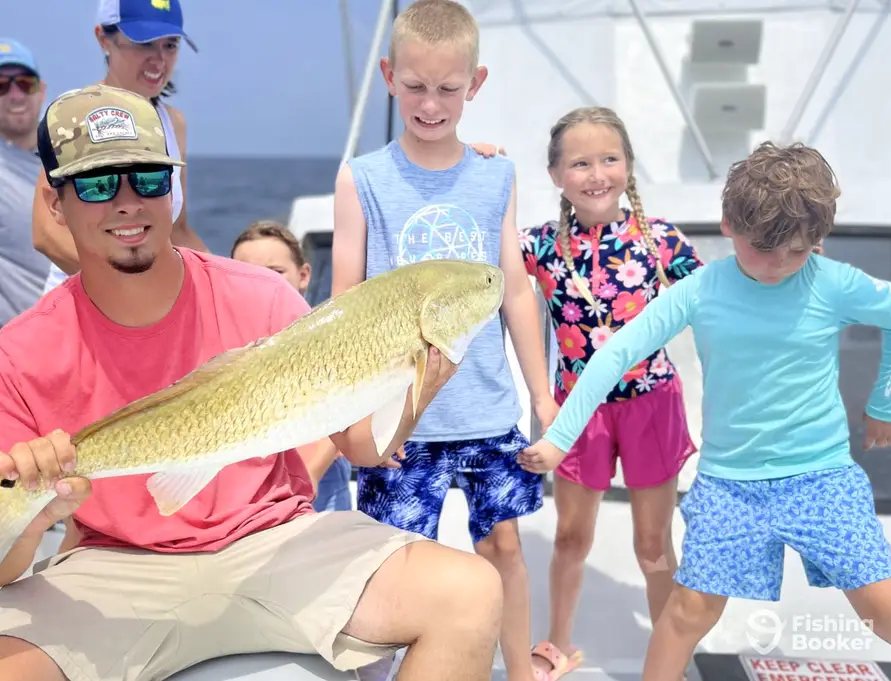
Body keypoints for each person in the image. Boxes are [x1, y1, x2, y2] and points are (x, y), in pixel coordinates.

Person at [0, 83, 504, 681]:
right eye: (96, 184)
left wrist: (422, 383)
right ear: (56, 203)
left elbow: (362, 446)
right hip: (115, 565)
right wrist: (40, 512)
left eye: (149, 179)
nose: (128, 202)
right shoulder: (18, 352)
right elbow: (5, 566)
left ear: (173, 189)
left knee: (470, 593)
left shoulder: (262, 295)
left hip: (274, 542)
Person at [520, 141, 891, 678]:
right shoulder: (699, 290)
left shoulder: (833, 283)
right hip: (730, 486)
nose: (779, 265)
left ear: (817, 241)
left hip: (822, 479)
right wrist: (559, 439)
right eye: (764, 249)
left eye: (797, 251)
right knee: (688, 611)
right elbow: (614, 354)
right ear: (729, 225)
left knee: (888, 609)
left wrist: (888, 405)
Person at [331, 2, 557, 680]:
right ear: (388, 77)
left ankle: (520, 673)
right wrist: (365, 418)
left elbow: (515, 290)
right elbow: (345, 307)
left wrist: (541, 395)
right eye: (415, 86)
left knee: (505, 551)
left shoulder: (497, 175)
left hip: (487, 412)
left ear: (474, 84)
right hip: (401, 421)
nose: (430, 104)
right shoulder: (360, 179)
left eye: (448, 89)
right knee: (393, 565)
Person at [518, 106, 702, 679]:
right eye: (580, 164)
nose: (596, 175)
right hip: (578, 412)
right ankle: (558, 644)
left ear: (628, 166)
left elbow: (725, 292)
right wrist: (479, 166)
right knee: (571, 538)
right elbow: (478, 253)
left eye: (609, 159)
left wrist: (792, 262)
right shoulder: (538, 246)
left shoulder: (662, 239)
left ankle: (669, 658)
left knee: (653, 545)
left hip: (652, 405)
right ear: (555, 175)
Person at [33, 0, 208, 294]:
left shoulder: (173, 122)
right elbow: (46, 234)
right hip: (85, 303)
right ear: (103, 38)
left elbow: (177, 231)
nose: (159, 60)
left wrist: (231, 278)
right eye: (144, 43)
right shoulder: (74, 117)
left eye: (170, 45)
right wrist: (135, 291)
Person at [231, 219, 354, 512]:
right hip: (247, 480)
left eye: (275, 272)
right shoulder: (224, 341)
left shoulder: (328, 337)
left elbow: (348, 409)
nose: (262, 282)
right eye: (247, 273)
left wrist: (311, 474)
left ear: (304, 275)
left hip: (320, 476)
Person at [0, 38, 52, 326]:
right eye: (1, 86)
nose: (15, 95)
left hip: (80, 336)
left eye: (25, 83)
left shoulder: (70, 162)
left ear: (41, 91)